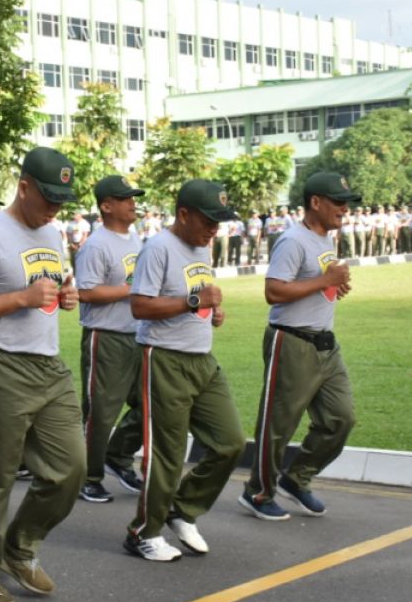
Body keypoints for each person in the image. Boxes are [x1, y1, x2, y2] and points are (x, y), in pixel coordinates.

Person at [0, 146, 85, 602]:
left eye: (62, 199)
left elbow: (49, 283)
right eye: (48, 197)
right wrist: (22, 298)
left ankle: (19, 546)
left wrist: (61, 295)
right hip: (0, 363)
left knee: (71, 469)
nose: (55, 207)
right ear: (22, 186)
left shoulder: (53, 231)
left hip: (48, 363)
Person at [124, 179, 245, 562]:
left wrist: (212, 311)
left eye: (219, 223)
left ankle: (184, 509)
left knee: (231, 442)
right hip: (164, 358)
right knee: (167, 454)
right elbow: (140, 307)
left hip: (202, 358)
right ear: (184, 214)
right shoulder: (158, 248)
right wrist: (195, 301)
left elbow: (195, 300)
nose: (215, 230)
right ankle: (143, 532)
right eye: (209, 221)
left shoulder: (200, 248)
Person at [240, 172, 358, 521]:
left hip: (325, 343)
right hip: (291, 340)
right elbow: (273, 292)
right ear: (316, 202)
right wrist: (325, 280)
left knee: (341, 418)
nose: (344, 209)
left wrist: (331, 286)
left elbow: (311, 283)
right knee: (279, 423)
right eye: (338, 202)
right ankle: (258, 492)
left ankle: (297, 478)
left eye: (346, 203)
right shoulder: (293, 240)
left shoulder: (323, 239)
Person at [75, 175, 146, 504]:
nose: (133, 202)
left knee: (149, 404)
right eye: (125, 198)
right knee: (100, 412)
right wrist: (129, 289)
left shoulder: (135, 239)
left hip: (137, 335)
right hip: (106, 338)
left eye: (133, 197)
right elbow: (86, 291)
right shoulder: (97, 244)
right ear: (106, 206)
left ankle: (118, 456)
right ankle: (87, 476)